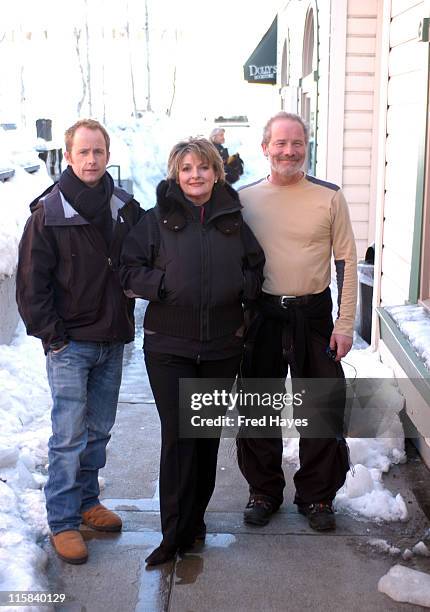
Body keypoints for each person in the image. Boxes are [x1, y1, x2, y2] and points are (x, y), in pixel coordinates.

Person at [120, 137, 264, 566]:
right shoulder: (154, 221)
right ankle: (172, 534)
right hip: (170, 347)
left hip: (221, 347)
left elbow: (254, 267)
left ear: (217, 173)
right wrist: (163, 286)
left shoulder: (234, 221)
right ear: (174, 175)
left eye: (203, 167)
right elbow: (129, 269)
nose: (195, 176)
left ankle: (194, 523)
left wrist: (242, 290)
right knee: (179, 436)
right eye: (186, 169)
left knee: (204, 439)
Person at [16, 119, 142, 565]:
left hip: (112, 340)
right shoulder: (49, 212)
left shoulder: (124, 207)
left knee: (98, 430)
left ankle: (89, 501)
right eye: (83, 152)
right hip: (71, 344)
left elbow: (146, 256)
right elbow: (32, 286)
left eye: (98, 152)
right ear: (68, 157)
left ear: (108, 155)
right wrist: (55, 339)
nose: (91, 160)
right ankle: (64, 521)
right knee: (68, 436)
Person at [236, 111, 357, 532]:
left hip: (314, 313)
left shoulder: (329, 197)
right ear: (265, 147)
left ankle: (318, 497)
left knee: (321, 408)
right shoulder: (244, 199)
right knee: (258, 408)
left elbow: (345, 260)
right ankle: (263, 492)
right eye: (281, 143)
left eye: (297, 143)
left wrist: (344, 324)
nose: (289, 151)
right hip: (263, 315)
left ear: (307, 146)